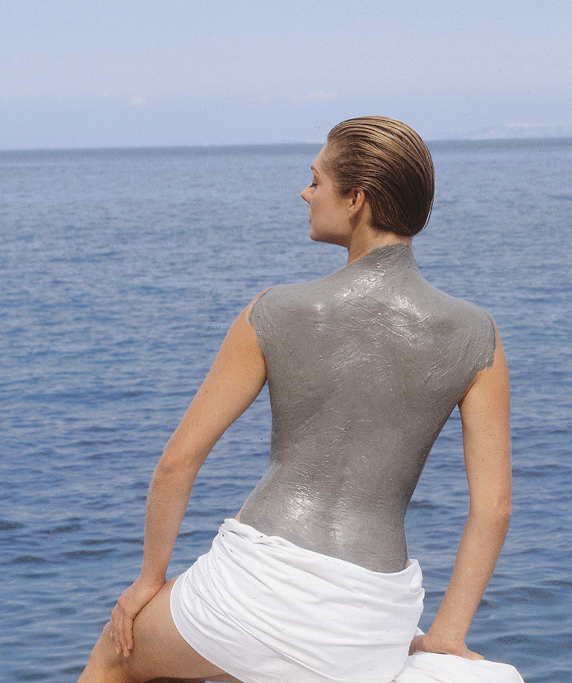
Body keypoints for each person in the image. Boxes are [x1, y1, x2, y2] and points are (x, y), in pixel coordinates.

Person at [78, 116, 516, 683]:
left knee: (119, 657)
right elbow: (494, 508)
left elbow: (176, 463)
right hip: (370, 618)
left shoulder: (275, 311)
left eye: (315, 180)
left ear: (356, 198)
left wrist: (147, 581)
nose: (305, 194)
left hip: (255, 588)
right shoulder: (476, 335)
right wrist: (448, 635)